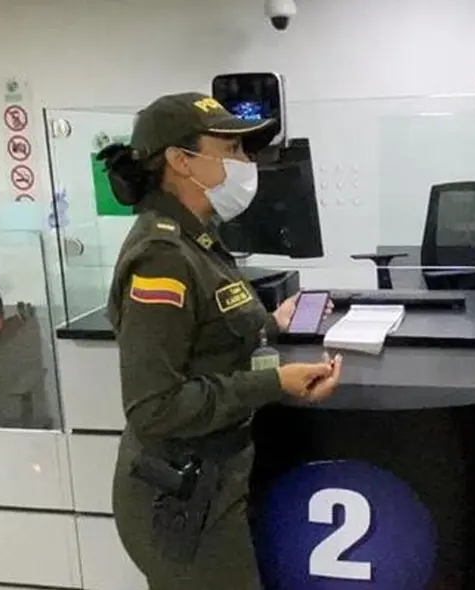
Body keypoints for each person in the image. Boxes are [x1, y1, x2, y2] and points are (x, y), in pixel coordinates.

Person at [99, 92, 343, 589]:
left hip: (213, 481)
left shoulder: (197, 238)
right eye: (231, 149)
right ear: (180, 160)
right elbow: (155, 406)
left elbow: (209, 334)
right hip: (182, 494)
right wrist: (275, 382)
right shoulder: (162, 257)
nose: (245, 163)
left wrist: (270, 323)